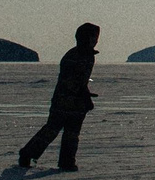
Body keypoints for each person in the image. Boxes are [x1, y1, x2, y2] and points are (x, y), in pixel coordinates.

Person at [17, 22, 99, 171]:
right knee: (52, 129)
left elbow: (81, 81)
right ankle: (28, 153)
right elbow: (69, 80)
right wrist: (81, 94)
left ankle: (67, 161)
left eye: (96, 37)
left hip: (76, 103)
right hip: (64, 101)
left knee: (72, 133)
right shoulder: (74, 55)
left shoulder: (88, 56)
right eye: (93, 37)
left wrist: (85, 96)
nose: (95, 40)